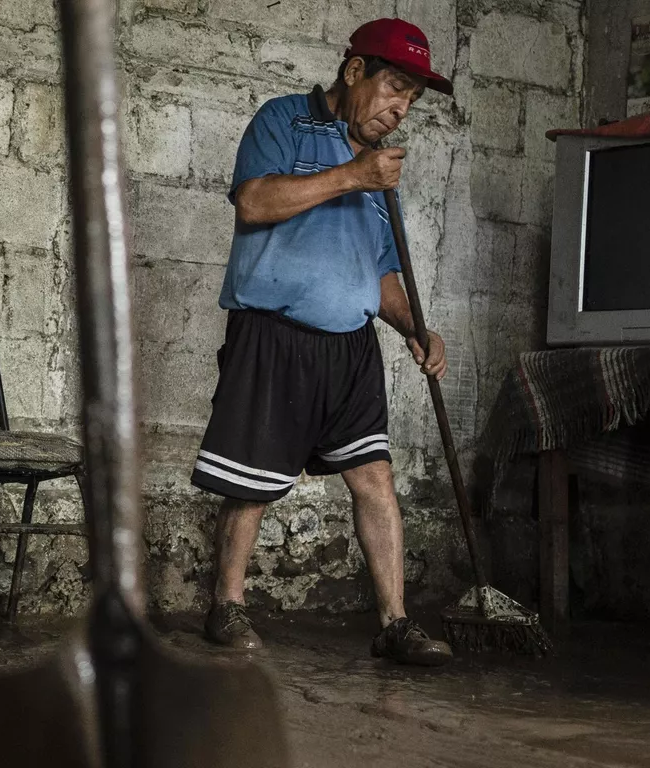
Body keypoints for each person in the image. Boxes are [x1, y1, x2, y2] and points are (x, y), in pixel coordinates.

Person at [191, 17, 455, 667]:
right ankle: (226, 605)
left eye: (412, 100)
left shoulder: (381, 176)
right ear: (354, 70)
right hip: (273, 335)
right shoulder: (283, 121)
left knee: (375, 480)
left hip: (351, 346)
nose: (400, 109)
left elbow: (384, 272)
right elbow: (253, 203)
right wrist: (351, 176)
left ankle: (394, 622)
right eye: (395, 87)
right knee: (251, 483)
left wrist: (416, 327)